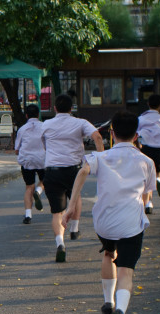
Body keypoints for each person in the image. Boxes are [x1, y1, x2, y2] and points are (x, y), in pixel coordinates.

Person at [63, 111, 156, 314]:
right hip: (130, 224)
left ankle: (107, 302)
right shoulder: (147, 162)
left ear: (112, 133)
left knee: (108, 252)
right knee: (126, 272)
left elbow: (82, 171)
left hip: (104, 222)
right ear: (136, 135)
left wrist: (71, 206)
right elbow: (147, 194)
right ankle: (121, 312)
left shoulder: (100, 158)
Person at [41, 94, 104, 262]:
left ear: (55, 108)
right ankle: (74, 229)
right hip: (73, 169)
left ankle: (60, 243)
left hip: (52, 170)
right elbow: (97, 136)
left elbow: (43, 143)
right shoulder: (80, 122)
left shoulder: (46, 124)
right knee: (75, 196)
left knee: (56, 212)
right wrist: (101, 158)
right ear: (71, 108)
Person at [13, 104, 46, 224]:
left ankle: (28, 215)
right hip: (42, 160)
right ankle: (39, 191)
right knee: (44, 180)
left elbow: (17, 149)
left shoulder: (22, 129)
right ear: (38, 114)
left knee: (28, 187)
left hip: (27, 161)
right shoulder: (44, 127)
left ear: (26, 115)